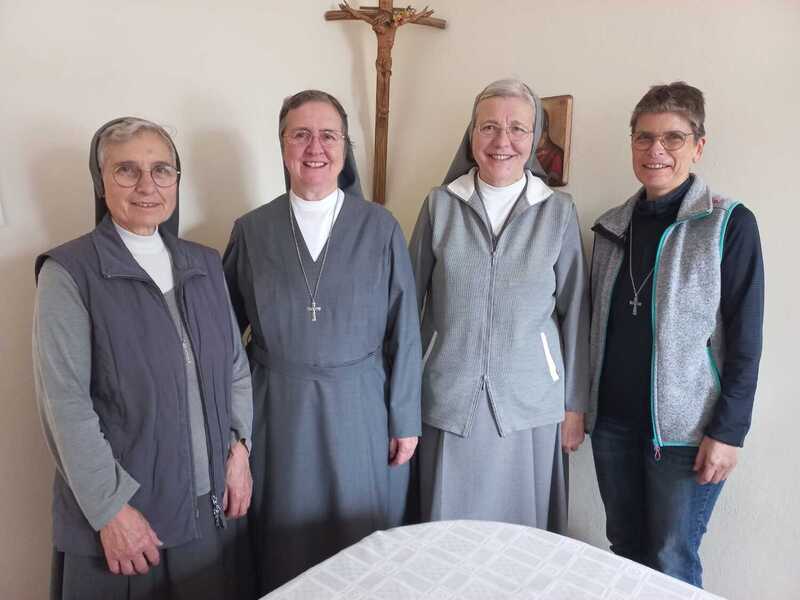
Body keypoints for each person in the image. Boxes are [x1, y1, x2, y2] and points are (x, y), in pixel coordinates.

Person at [33, 117, 254, 599]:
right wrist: (110, 509)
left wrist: (240, 449)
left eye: (162, 170)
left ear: (177, 179)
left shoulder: (205, 264)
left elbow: (235, 368)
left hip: (207, 508)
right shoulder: (70, 273)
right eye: (126, 170)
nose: (147, 185)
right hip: (126, 521)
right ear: (100, 181)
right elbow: (65, 406)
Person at [223, 90, 422, 594]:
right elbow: (224, 341)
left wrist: (405, 418)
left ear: (344, 145)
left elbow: (406, 329)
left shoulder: (380, 226)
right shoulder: (250, 231)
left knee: (360, 546)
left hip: (361, 409)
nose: (315, 147)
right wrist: (234, 434)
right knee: (285, 545)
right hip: (278, 413)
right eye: (300, 134)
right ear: (283, 144)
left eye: (328, 134)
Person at [587, 82, 764, 588]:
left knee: (671, 559)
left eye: (673, 138)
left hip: (688, 433)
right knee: (624, 550)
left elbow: (746, 341)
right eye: (644, 138)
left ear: (698, 145)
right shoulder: (610, 227)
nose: (656, 151)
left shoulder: (728, 224)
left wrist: (729, 431)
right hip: (614, 427)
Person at [410, 78, 590, 532]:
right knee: (444, 537)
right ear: (471, 136)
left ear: (534, 140)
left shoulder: (558, 212)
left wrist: (575, 406)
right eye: (488, 127)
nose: (502, 141)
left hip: (530, 404)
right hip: (447, 400)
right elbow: (408, 306)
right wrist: (401, 398)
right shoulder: (439, 206)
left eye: (517, 129)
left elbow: (575, 315)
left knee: (520, 542)